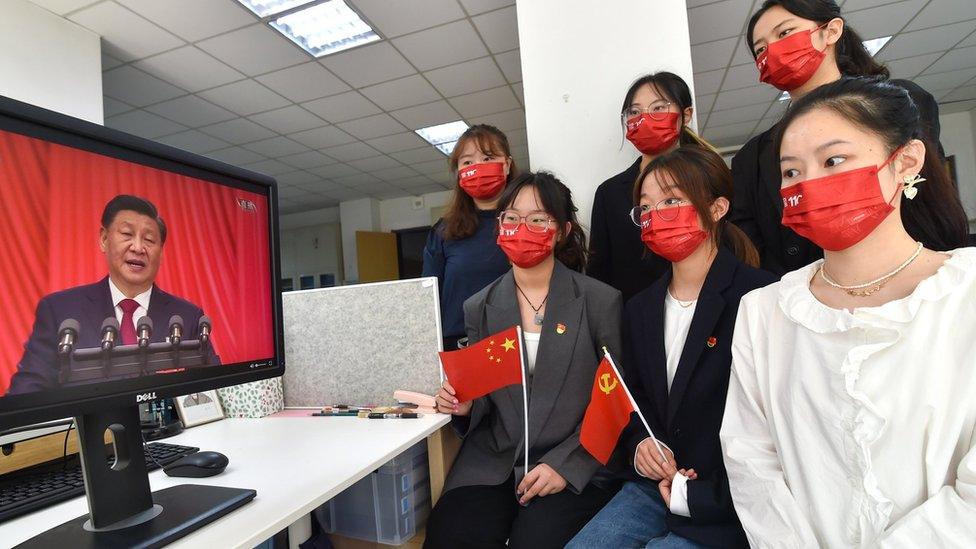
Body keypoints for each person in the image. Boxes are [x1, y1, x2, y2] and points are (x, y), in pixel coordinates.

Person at [720, 77, 973, 547]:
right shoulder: (764, 312)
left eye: (833, 161)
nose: (808, 183)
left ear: (906, 162)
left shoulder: (966, 294)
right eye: (792, 172)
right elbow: (750, 458)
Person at [570, 148, 775, 548]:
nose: (654, 215)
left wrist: (703, 490)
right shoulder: (640, 307)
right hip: (655, 487)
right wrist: (642, 445)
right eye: (645, 208)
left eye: (671, 200)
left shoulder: (760, 296)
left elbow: (774, 420)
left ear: (716, 208)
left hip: (728, 497)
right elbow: (636, 400)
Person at [424, 172, 622, 549]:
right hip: (496, 460)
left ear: (562, 230)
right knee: (450, 534)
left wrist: (566, 465)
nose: (522, 227)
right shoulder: (479, 306)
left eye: (538, 219)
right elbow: (486, 396)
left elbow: (614, 399)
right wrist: (465, 404)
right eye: (512, 218)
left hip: (571, 456)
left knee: (536, 541)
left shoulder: (600, 301)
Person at [729, 0, 945, 276]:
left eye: (784, 34)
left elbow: (929, 200)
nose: (771, 50)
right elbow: (751, 247)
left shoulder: (900, 103)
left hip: (908, 279)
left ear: (830, 31)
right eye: (760, 49)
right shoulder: (752, 157)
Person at [6, 195, 212, 396]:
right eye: (127, 234)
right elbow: (26, 394)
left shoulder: (188, 317)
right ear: (104, 239)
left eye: (149, 240)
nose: (138, 248)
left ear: (161, 252)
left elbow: (210, 392)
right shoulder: (59, 311)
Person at [588, 72, 715, 302]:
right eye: (635, 112)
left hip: (709, 306)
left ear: (685, 115)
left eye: (658, 108)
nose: (644, 118)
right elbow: (600, 274)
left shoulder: (711, 179)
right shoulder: (610, 193)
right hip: (636, 318)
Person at [423, 124, 516, 351]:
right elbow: (427, 302)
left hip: (515, 346)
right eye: (467, 162)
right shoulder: (443, 232)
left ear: (507, 165)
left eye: (488, 157)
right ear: (459, 173)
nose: (478, 167)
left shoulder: (526, 224)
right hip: (460, 349)